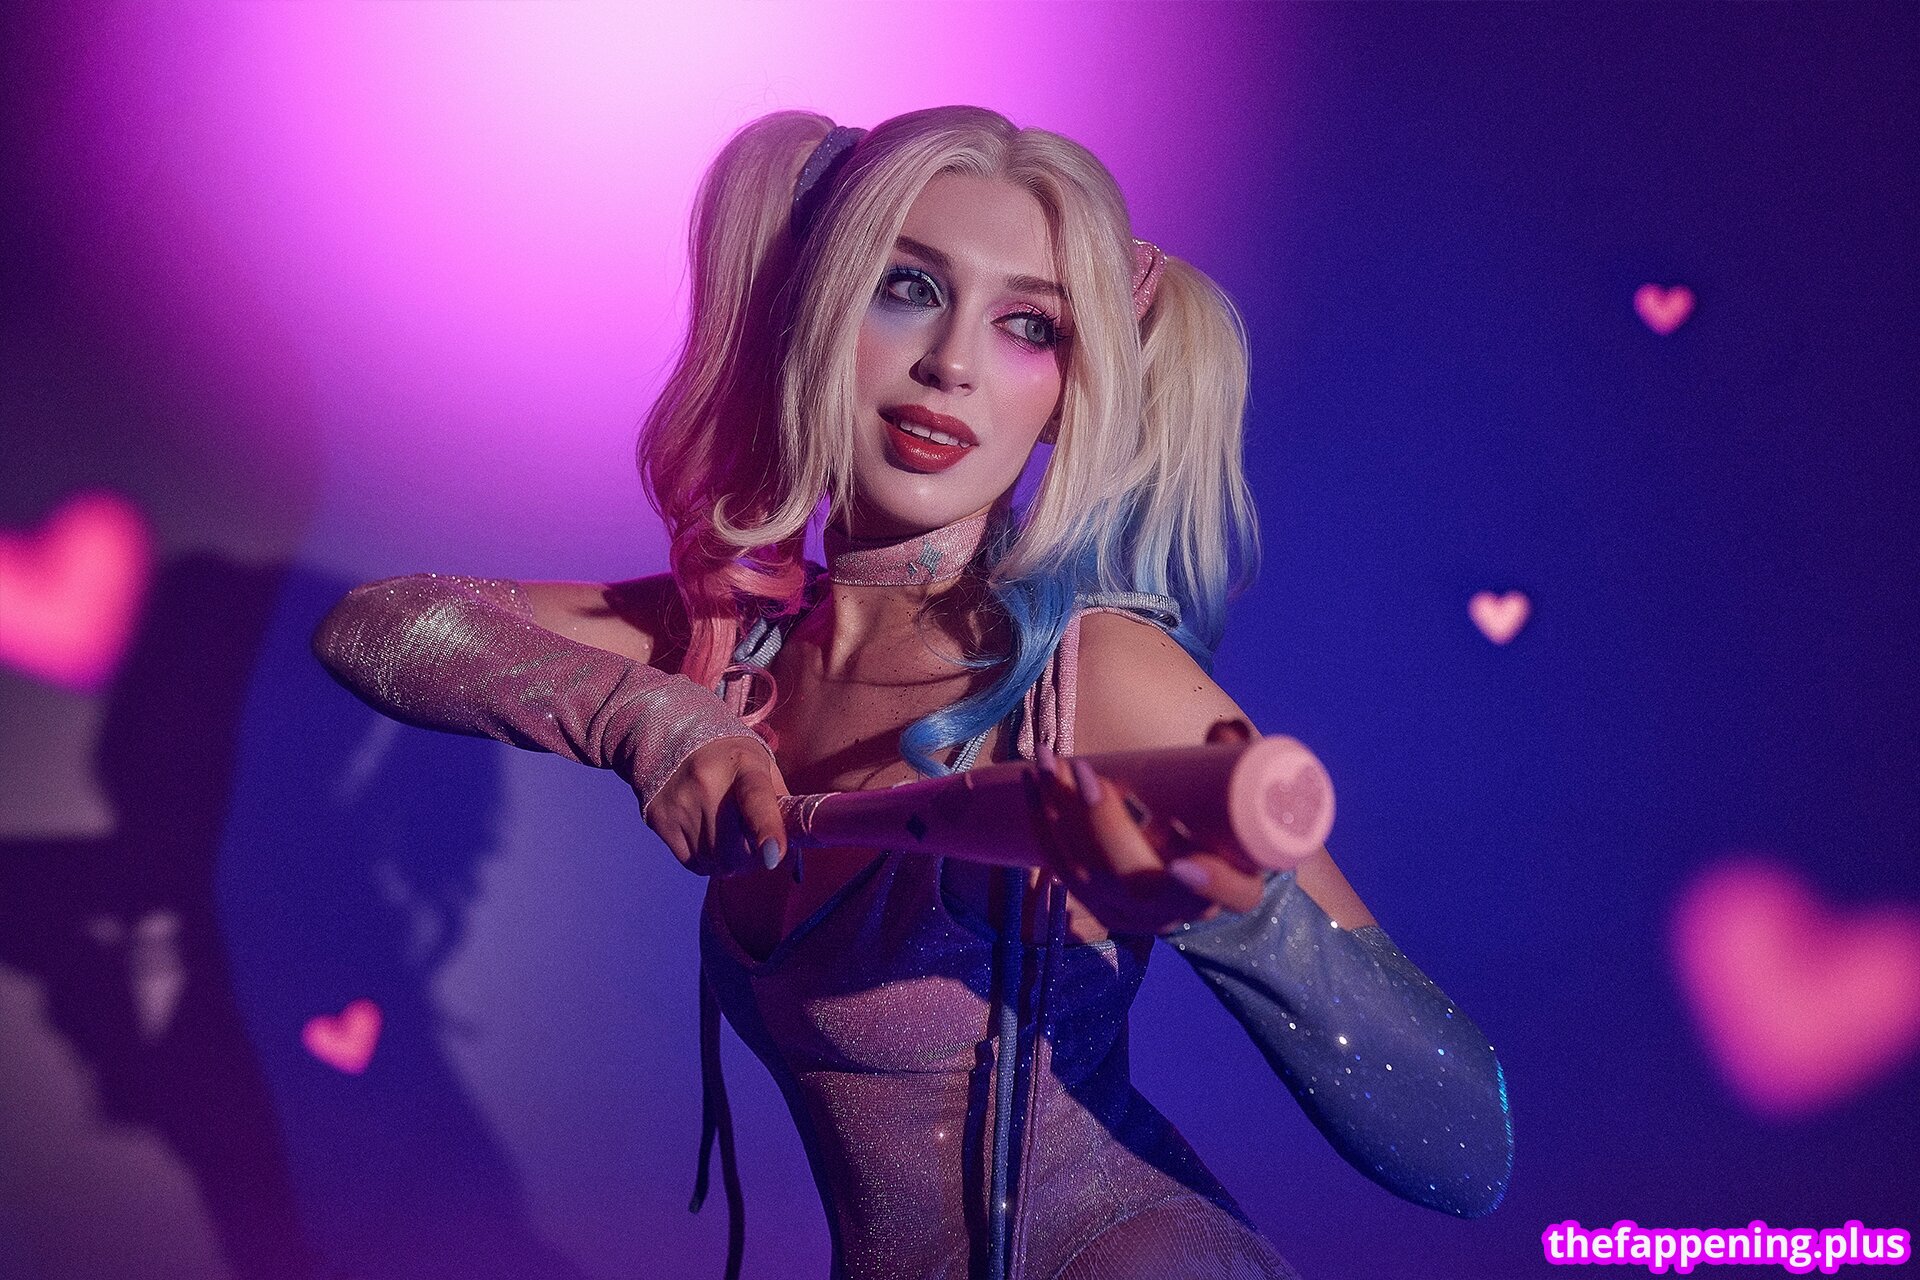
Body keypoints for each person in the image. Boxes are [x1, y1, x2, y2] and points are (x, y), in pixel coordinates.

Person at [313, 106, 1512, 1280]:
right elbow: (377, 626)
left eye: (1028, 324)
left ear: (1069, 388)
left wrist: (1241, 919)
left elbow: (1465, 1146)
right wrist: (651, 719)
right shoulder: (737, 645)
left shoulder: (1090, 676)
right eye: (907, 287)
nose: (951, 364)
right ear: (812, 310)